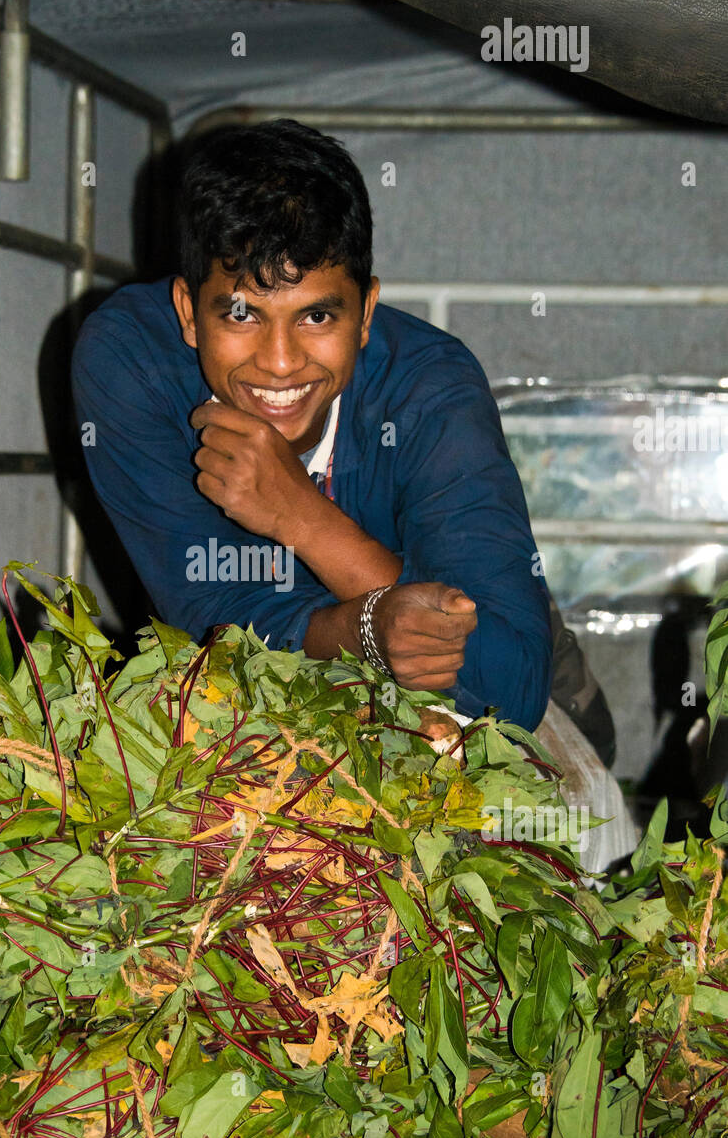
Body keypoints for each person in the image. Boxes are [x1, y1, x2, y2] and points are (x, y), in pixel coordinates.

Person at [71, 117, 553, 731]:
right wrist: (367, 627)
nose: (279, 363)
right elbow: (211, 613)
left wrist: (303, 519)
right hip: (284, 679)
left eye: (318, 316)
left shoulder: (433, 389)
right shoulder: (132, 360)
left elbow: (510, 694)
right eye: (242, 315)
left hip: (459, 595)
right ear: (190, 314)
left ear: (366, 311)